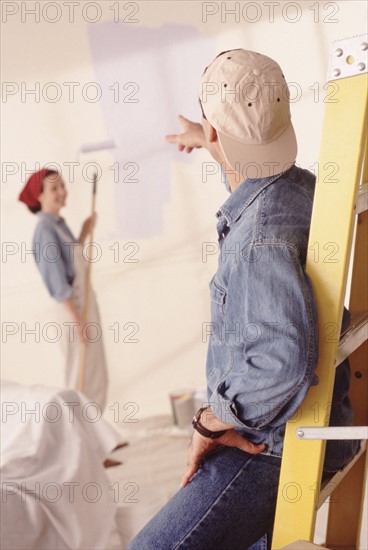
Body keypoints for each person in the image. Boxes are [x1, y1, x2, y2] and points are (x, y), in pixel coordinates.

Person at [128, 49, 359, 549]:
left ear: (214, 134)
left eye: (211, 131)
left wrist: (210, 422)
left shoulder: (257, 240)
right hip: (325, 417)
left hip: (273, 443)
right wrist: (207, 138)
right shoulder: (301, 189)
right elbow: (250, 175)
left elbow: (280, 362)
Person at [18, 169, 108, 410]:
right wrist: (78, 321)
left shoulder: (59, 225)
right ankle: (78, 432)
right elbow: (58, 281)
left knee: (93, 369)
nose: (62, 192)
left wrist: (84, 232)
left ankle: (95, 431)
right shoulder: (44, 231)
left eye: (62, 186)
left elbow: (70, 262)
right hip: (73, 310)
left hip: (82, 306)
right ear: (39, 196)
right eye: (53, 189)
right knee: (80, 370)